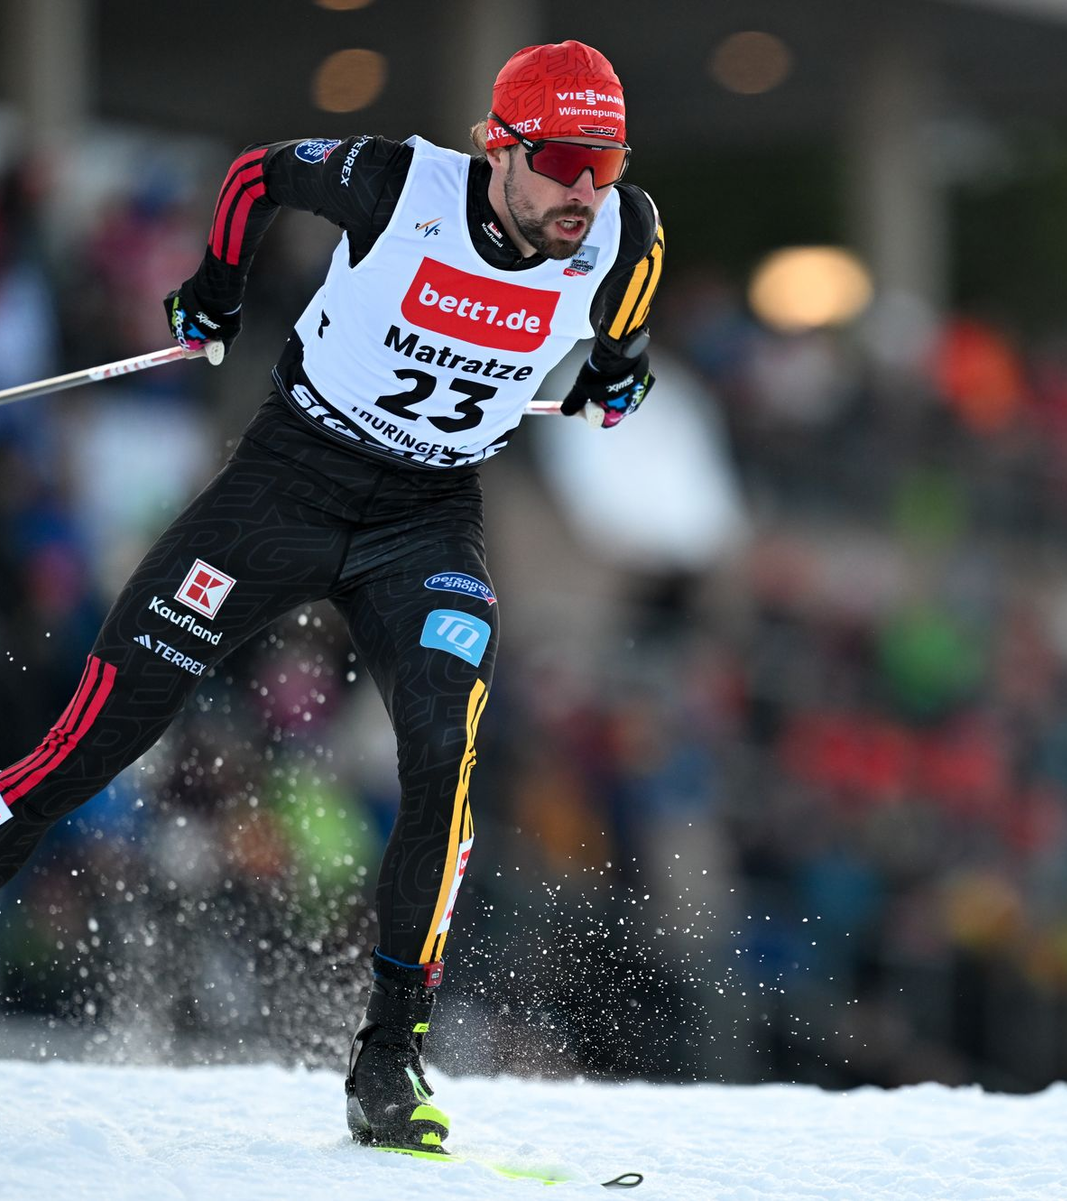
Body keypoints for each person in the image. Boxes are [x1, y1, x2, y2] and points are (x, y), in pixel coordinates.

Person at [0, 40, 663, 1151]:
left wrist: (618, 377)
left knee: (445, 752)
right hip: (288, 485)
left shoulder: (624, 232)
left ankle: (390, 1057)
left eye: (605, 164)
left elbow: (623, 335)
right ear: (496, 149)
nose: (583, 192)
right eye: (559, 161)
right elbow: (254, 176)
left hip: (426, 521)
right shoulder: (398, 183)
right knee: (96, 737)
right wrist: (214, 296)